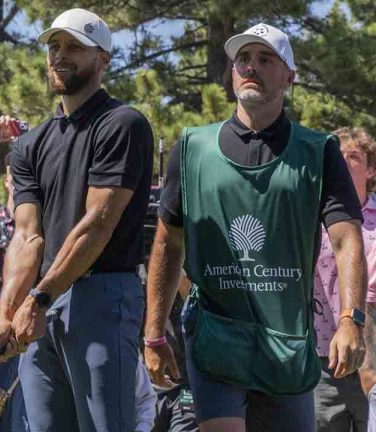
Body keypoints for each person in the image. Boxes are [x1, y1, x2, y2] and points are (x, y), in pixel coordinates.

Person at [144, 23, 367, 432]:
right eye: (243, 59)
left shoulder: (318, 152)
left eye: (266, 59)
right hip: (216, 338)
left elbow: (346, 238)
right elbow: (167, 244)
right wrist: (154, 335)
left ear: (289, 77)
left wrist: (351, 319)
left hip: (287, 341)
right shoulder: (192, 148)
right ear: (232, 72)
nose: (251, 66)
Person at [0, 8, 154, 432]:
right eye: (54, 47)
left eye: (74, 47)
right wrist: (7, 310)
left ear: (103, 60)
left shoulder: (123, 124)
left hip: (103, 293)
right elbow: (26, 237)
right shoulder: (29, 145)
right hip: (42, 301)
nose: (60, 56)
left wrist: (37, 299)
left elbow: (97, 224)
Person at [314, 127, 376, 431]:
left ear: (371, 168)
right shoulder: (313, 216)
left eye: (355, 156)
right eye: (339, 157)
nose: (346, 162)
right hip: (325, 355)